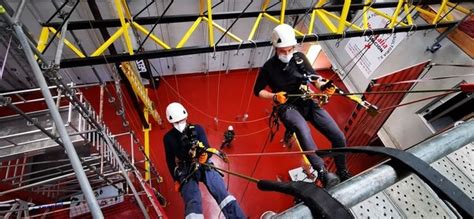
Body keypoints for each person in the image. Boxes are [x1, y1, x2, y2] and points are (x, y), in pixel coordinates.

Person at [253, 24, 352, 188]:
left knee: (339, 136)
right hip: (287, 106)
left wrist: (323, 86)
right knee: (302, 130)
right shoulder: (268, 68)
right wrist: (274, 97)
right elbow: (258, 91)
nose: (287, 54)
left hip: (307, 101)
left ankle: (342, 170)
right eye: (282, 51)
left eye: (289, 50)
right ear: (275, 48)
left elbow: (314, 78)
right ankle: (323, 173)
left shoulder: (299, 58)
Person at [163, 102, 246, 219]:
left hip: (204, 164)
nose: (180, 124)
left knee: (222, 192)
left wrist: (205, 156)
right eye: (176, 122)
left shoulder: (197, 129)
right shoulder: (168, 138)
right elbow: (169, 159)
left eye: (182, 120)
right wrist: (175, 179)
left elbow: (206, 147)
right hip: (187, 168)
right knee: (192, 201)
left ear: (186, 117)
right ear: (171, 122)